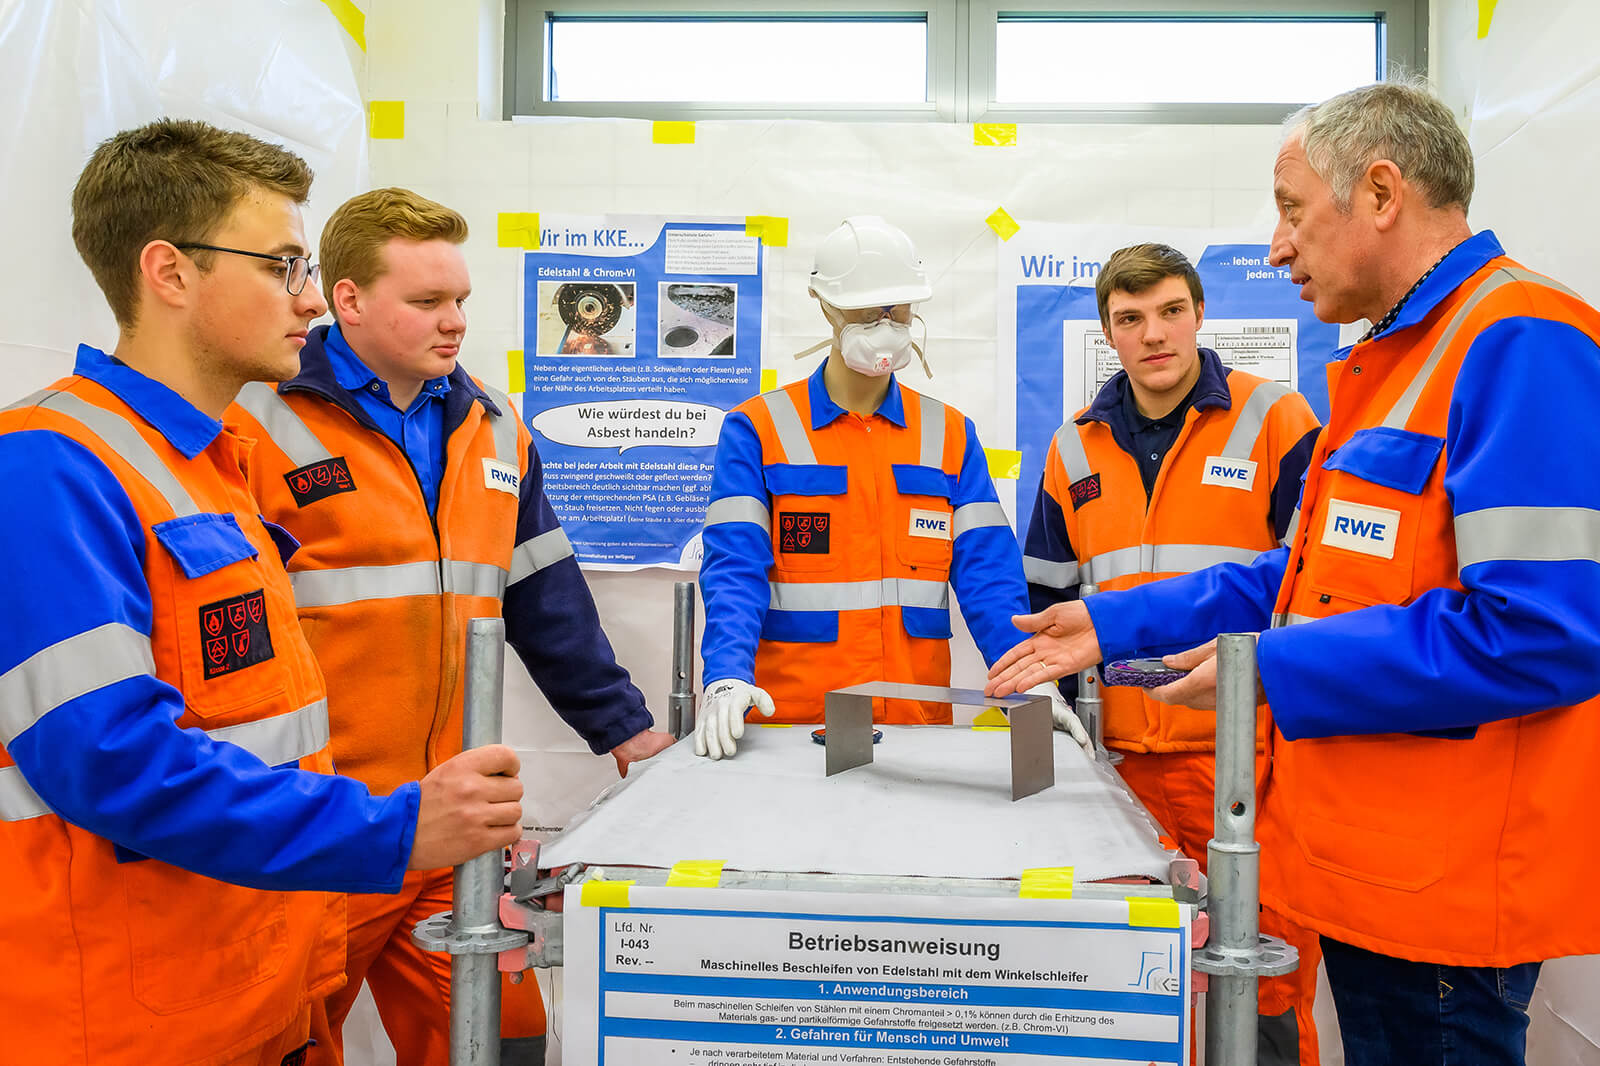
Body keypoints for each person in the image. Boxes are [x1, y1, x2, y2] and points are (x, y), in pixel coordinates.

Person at [988, 81, 1600, 1066]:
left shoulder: (1518, 340)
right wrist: (1112, 624)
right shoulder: (1396, 362)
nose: (1275, 248)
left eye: (1289, 211)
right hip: (1366, 866)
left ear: (1382, 193)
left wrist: (1265, 672)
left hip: (1439, 888)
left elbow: (1540, 633)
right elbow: (1300, 574)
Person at [0, 120, 522, 1065]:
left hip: (249, 986)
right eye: (284, 266)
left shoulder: (215, 465)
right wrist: (393, 826)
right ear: (170, 273)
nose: (315, 300)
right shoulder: (46, 468)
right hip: (122, 1019)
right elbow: (109, 756)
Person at [229, 187, 672, 1065]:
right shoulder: (254, 421)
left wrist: (625, 730)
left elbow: (545, 597)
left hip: (452, 819)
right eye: (427, 301)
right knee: (289, 1042)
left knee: (502, 1039)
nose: (455, 320)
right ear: (347, 300)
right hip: (323, 821)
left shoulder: (498, 425)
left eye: (461, 298)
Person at [1022, 242, 1322, 1066]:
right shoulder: (1073, 448)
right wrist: (1043, 730)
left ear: (1198, 314)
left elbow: (1319, 589)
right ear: (1107, 334)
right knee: (1135, 988)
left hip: (1252, 767)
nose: (1154, 333)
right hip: (1121, 776)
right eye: (1130, 319)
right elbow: (1047, 608)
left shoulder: (1277, 418)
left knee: (1263, 980)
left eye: (1170, 311)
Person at [696, 215, 1090, 759]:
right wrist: (725, 675)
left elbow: (988, 578)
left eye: (897, 307)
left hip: (915, 723)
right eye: (865, 308)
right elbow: (735, 569)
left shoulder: (949, 434)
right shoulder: (758, 429)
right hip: (790, 725)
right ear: (823, 304)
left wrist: (1030, 677)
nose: (884, 323)